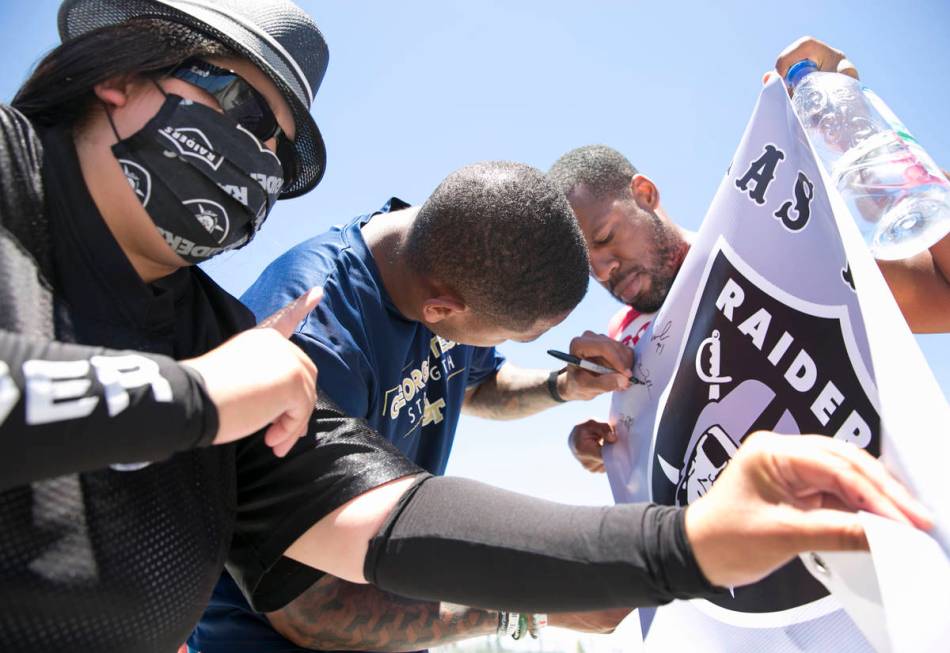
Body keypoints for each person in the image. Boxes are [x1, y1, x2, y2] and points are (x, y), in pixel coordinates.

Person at [0, 9, 934, 649]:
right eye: (243, 110)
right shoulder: (287, 338)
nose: (257, 163)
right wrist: (196, 398)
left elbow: (388, 518)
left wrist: (676, 545)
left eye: (280, 155)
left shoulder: (228, 332)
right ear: (121, 74)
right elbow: (313, 604)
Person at [191, 161, 637, 652]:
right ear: (440, 311)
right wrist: (532, 603)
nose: (509, 344)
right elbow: (313, 611)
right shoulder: (311, 343)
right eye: (511, 333)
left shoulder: (451, 254)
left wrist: (562, 385)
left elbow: (477, 388)